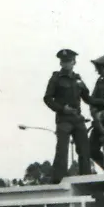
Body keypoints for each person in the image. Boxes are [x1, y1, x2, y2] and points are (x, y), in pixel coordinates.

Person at [43, 49, 94, 182]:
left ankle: (86, 179)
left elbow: (88, 98)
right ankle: (58, 180)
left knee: (84, 150)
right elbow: (47, 99)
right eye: (63, 61)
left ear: (74, 62)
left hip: (77, 119)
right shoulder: (55, 78)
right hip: (64, 119)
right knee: (62, 151)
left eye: (68, 61)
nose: (65, 64)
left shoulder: (78, 79)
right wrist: (61, 109)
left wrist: (103, 102)